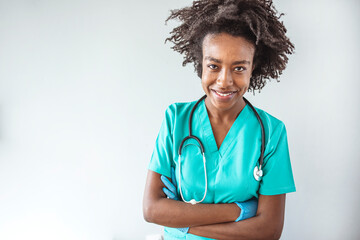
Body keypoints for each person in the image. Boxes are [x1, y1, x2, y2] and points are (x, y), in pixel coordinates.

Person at [143, 0, 296, 239]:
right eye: (214, 65)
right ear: (200, 63)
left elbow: (269, 230)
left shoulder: (272, 132)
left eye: (239, 68)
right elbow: (152, 209)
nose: (224, 81)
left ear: (253, 67)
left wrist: (181, 221)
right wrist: (240, 210)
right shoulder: (175, 120)